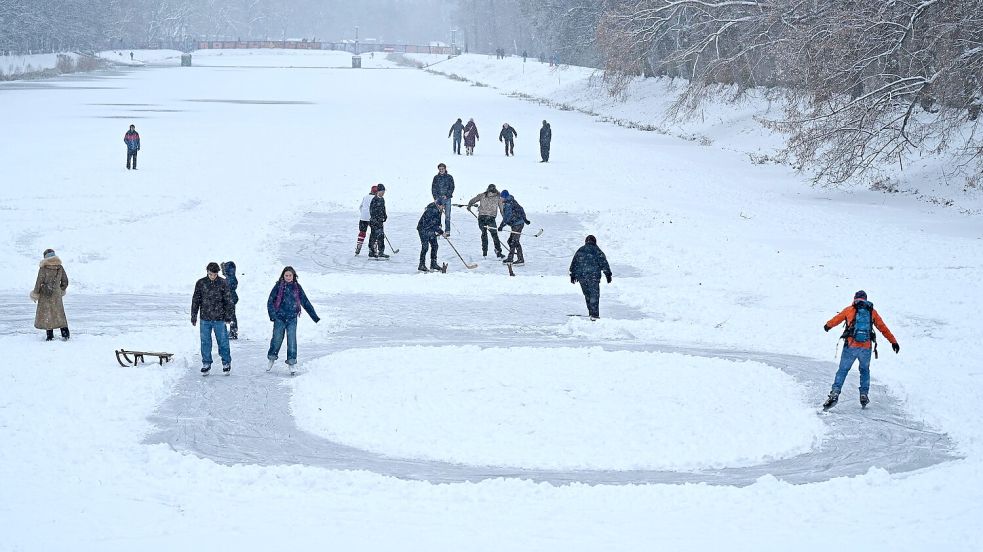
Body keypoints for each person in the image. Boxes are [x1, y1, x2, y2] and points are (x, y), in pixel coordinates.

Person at [822, 290, 900, 409]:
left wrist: (828, 325)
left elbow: (836, 319)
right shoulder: (871, 311)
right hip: (866, 347)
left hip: (850, 346)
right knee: (864, 371)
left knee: (843, 370)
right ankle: (864, 394)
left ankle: (835, 393)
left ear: (855, 298)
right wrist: (893, 341)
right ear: (866, 299)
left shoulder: (849, 309)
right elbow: (883, 328)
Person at [266, 266, 320, 373]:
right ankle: (272, 358)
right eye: (286, 275)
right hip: (280, 318)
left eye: (290, 275)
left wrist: (315, 317)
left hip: (292, 318)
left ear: (293, 275)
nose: (288, 277)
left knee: (291, 341)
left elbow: (305, 302)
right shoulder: (278, 286)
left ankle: (291, 362)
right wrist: (273, 315)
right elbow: (270, 301)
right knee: (276, 339)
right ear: (283, 276)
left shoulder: (297, 287)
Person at [191, 262, 234, 375]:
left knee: (223, 341)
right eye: (210, 274)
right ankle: (206, 363)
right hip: (205, 318)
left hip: (219, 319)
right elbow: (196, 300)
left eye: (215, 274)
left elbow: (228, 300)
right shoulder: (201, 283)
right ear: (207, 272)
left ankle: (226, 363)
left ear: (217, 273)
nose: (212, 276)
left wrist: (228, 316)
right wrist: (194, 315)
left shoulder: (223, 283)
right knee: (205, 342)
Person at [569, 236, 613, 320]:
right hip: (593, 277)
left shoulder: (580, 250)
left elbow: (574, 262)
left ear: (586, 241)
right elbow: (604, 263)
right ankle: (594, 315)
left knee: (587, 295)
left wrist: (573, 275)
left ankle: (591, 312)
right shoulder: (597, 251)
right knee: (594, 295)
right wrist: (608, 274)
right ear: (595, 241)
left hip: (582, 277)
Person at [30, 248, 70, 341]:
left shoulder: (43, 268)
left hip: (45, 294)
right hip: (56, 294)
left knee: (47, 314)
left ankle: (50, 336)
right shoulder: (60, 267)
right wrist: (60, 290)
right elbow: (65, 281)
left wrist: (35, 293)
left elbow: (38, 282)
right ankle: (65, 334)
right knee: (59, 314)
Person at [467, 184, 505, 258]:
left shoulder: (482, 195)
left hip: (482, 218)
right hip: (491, 218)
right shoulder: (498, 197)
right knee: (494, 235)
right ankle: (498, 251)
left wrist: (469, 206)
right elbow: (502, 210)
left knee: (484, 234)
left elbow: (472, 200)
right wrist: (505, 218)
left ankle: (485, 252)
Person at [498, 190, 530, 264]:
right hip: (517, 224)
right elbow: (521, 209)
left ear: (504, 197)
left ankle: (516, 259)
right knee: (511, 241)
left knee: (513, 241)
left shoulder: (508, 204)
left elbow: (507, 217)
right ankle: (516, 258)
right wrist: (525, 219)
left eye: (501, 197)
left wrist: (501, 226)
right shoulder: (511, 200)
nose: (501, 198)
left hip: (517, 224)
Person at [417, 199, 445, 272]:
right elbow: (432, 224)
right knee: (425, 247)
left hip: (430, 229)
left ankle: (433, 263)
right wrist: (442, 232)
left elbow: (437, 222)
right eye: (443, 206)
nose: (444, 207)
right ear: (439, 205)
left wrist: (439, 227)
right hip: (423, 228)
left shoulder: (438, 209)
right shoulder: (432, 210)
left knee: (435, 245)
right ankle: (421, 265)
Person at [431, 163, 455, 236]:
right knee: (438, 215)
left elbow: (452, 187)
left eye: (442, 169)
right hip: (438, 199)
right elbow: (433, 188)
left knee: (447, 215)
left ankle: (447, 231)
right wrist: (435, 198)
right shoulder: (436, 177)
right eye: (440, 169)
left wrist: (447, 195)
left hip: (447, 199)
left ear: (445, 169)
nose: (441, 170)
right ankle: (438, 229)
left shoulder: (449, 177)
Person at [356, 185, 378, 255]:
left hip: (363, 218)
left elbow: (360, 207)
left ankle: (358, 247)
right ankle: (373, 249)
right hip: (372, 218)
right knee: (375, 233)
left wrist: (364, 214)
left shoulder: (365, 197)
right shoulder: (376, 198)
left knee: (362, 232)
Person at [368, 184, 388, 258]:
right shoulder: (374, 200)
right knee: (373, 236)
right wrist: (375, 219)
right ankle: (371, 251)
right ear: (378, 191)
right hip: (374, 222)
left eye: (384, 191)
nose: (383, 193)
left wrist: (385, 216)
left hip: (380, 221)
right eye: (382, 191)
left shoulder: (382, 199)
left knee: (381, 236)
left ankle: (381, 252)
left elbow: (383, 209)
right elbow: (372, 211)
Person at [221, 261, 239, 339]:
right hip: (230, 299)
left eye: (225, 269)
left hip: (230, 299)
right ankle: (233, 331)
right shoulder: (230, 277)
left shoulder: (231, 279)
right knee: (231, 316)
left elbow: (228, 287)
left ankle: (233, 332)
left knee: (231, 316)